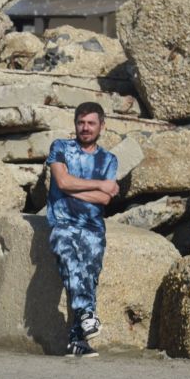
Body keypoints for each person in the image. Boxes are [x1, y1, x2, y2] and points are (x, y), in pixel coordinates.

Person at [45, 102, 119, 359]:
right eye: (81, 122)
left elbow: (105, 199)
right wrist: (99, 185)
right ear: (75, 124)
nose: (85, 128)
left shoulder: (109, 160)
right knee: (69, 261)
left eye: (91, 123)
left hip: (93, 228)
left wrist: (73, 189)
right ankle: (87, 312)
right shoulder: (60, 147)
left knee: (87, 278)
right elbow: (62, 181)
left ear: (101, 126)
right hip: (63, 223)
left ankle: (78, 342)